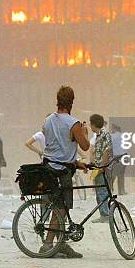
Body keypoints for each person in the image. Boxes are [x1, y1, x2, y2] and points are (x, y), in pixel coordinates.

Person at [40, 85, 90, 258]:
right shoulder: (73, 124)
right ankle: (48, 244)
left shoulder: (48, 121)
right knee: (61, 207)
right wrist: (84, 132)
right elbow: (85, 146)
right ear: (72, 102)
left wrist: (75, 162)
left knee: (61, 206)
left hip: (47, 167)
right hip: (62, 172)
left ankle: (61, 244)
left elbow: (56, 149)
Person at [89, 114, 111, 223]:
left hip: (102, 168)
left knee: (102, 191)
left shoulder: (104, 134)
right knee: (99, 192)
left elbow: (107, 151)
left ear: (93, 124)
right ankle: (103, 214)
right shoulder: (97, 135)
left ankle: (106, 215)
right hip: (97, 168)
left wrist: (103, 166)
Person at [109, 123, 127, 195]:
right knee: (121, 175)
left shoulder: (112, 136)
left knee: (113, 175)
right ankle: (121, 190)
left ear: (114, 128)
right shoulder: (123, 135)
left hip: (117, 157)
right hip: (125, 157)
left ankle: (110, 189)